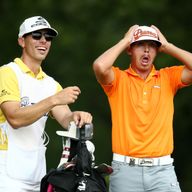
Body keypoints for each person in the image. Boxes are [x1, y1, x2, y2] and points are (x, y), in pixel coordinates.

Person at [93, 24, 192, 192]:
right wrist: (125, 40)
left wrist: (167, 46)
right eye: (140, 45)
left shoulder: (168, 77)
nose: (146, 50)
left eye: (152, 45)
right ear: (129, 50)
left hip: (163, 171)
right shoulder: (118, 79)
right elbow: (100, 66)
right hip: (125, 171)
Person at [0, 16, 92, 192]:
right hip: (6, 171)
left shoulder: (50, 83)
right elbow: (15, 118)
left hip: (36, 172)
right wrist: (54, 99)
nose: (43, 41)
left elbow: (66, 119)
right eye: (36, 35)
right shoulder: (8, 72)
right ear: (22, 41)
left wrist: (78, 116)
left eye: (48, 37)